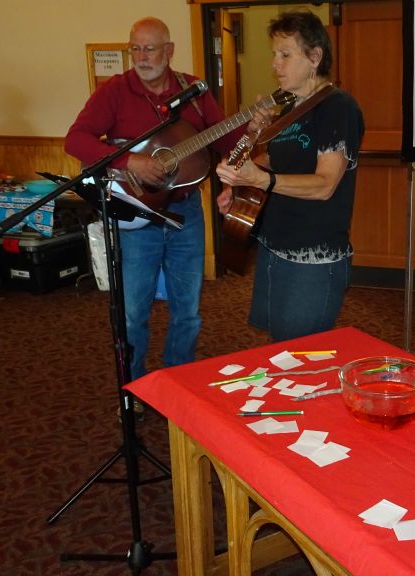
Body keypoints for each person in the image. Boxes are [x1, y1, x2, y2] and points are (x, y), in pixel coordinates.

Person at [65, 17, 244, 380]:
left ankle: (178, 384)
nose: (141, 57)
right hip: (137, 214)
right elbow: (76, 139)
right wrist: (131, 160)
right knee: (133, 313)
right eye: (135, 48)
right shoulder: (115, 92)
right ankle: (135, 389)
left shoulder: (192, 91)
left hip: (186, 213)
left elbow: (225, 139)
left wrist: (251, 129)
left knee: (188, 311)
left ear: (169, 51)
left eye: (150, 48)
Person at [215, 11, 364, 343]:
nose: (275, 64)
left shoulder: (338, 108)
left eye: (285, 55)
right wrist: (239, 179)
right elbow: (270, 160)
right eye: (274, 55)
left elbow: (325, 184)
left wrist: (260, 180)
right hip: (275, 248)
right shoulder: (290, 110)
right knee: (279, 350)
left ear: (314, 57)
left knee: (300, 356)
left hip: (312, 258)